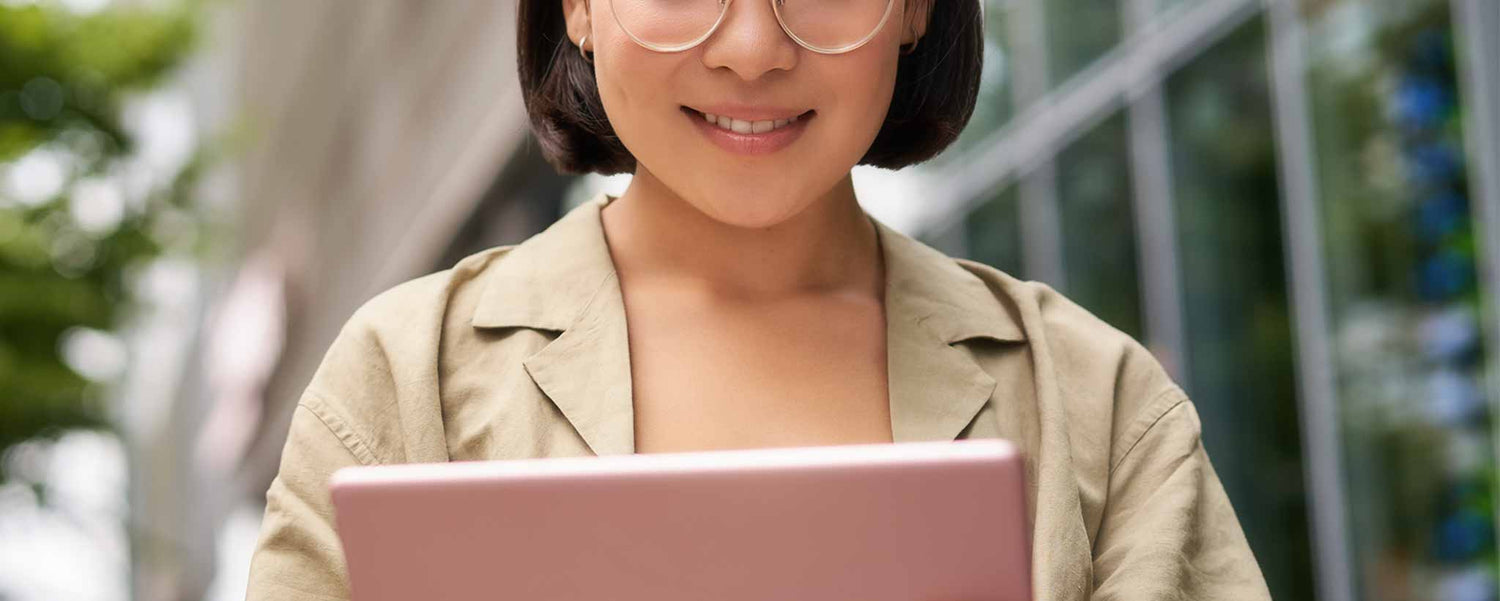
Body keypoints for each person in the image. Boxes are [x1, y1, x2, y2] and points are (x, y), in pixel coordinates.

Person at [244, 0, 1273, 599]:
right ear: (580, 5)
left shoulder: (1097, 405)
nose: (752, 46)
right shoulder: (404, 380)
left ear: (915, 7)